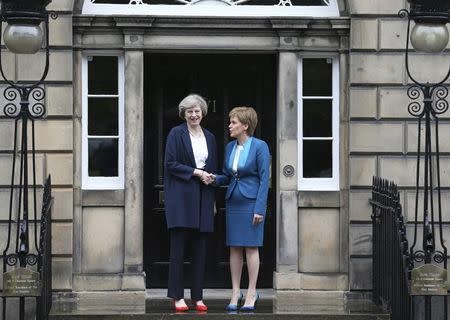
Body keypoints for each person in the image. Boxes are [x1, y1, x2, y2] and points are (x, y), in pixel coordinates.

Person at [212, 106, 270, 312]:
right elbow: (227, 176)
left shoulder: (260, 147)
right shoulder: (229, 148)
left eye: (234, 122)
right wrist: (213, 179)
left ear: (245, 126)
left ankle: (252, 291)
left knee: (251, 247)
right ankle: (236, 292)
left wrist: (260, 208)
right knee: (234, 247)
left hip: (251, 203)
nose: (230, 125)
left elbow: (265, 180)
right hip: (233, 202)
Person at [164, 94, 217, 312]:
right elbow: (170, 164)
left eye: (197, 111)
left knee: (200, 250)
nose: (194, 115)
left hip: (204, 197)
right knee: (178, 249)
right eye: (189, 111)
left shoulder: (210, 137)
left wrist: (212, 198)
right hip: (181, 196)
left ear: (202, 113)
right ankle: (177, 296)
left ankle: (198, 296)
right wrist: (196, 172)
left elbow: (212, 167)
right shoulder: (176, 134)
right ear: (183, 114)